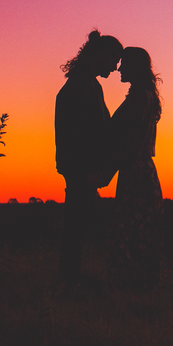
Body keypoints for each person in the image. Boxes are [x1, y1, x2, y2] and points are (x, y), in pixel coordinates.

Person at [55, 29, 123, 286]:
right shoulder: (80, 86)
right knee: (76, 224)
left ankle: (70, 277)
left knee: (79, 224)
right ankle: (69, 279)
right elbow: (78, 133)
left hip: (82, 167)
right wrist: (88, 171)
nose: (115, 67)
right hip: (80, 168)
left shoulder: (89, 85)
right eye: (114, 60)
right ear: (101, 55)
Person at [107, 46, 163, 291]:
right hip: (142, 170)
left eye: (125, 64)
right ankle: (139, 286)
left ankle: (131, 286)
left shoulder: (139, 98)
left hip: (135, 171)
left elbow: (128, 141)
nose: (119, 69)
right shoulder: (145, 95)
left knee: (129, 231)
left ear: (135, 67)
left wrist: (105, 173)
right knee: (140, 232)